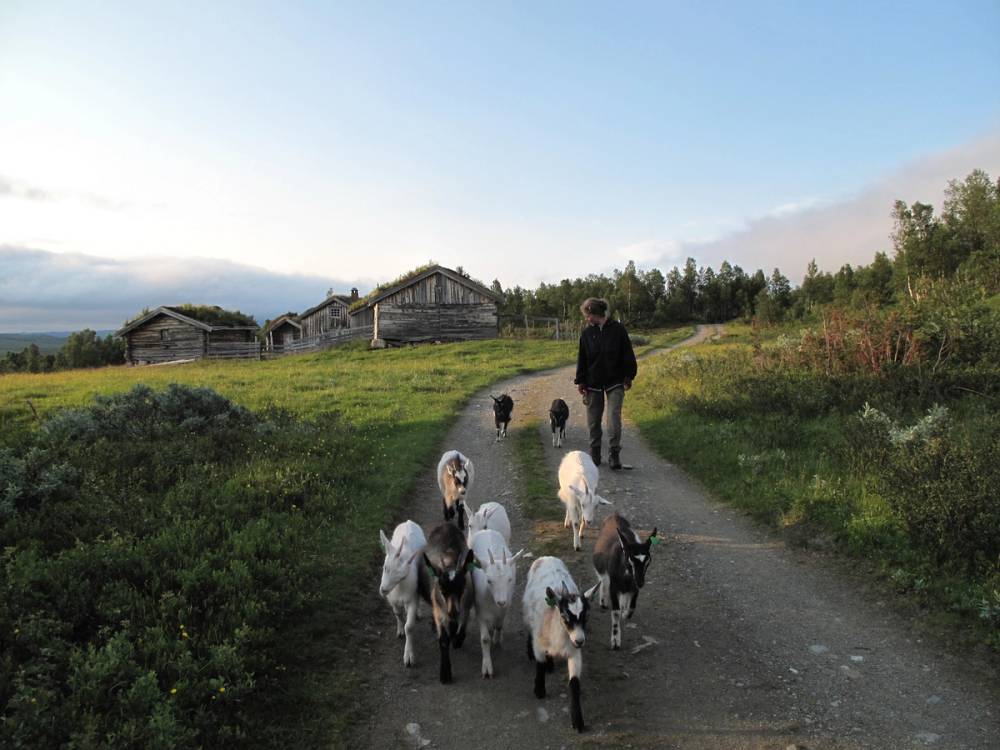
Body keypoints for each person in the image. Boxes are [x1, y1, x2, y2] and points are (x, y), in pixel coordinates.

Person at [574, 297, 637, 470]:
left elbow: (627, 354)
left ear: (598, 313)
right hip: (593, 382)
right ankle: (595, 453)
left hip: (615, 381)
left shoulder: (618, 330)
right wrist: (581, 381)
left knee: (613, 419)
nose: (588, 319)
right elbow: (583, 359)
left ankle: (614, 454)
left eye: (589, 315)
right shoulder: (587, 334)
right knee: (593, 421)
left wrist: (628, 376)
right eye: (587, 316)